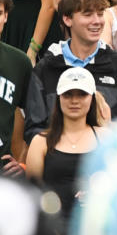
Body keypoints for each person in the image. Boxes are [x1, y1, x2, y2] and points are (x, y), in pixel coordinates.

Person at [23, 0, 117, 140]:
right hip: (59, 159)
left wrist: (106, 132)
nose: (97, 21)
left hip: (107, 158)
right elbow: (33, 129)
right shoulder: (45, 68)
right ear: (67, 19)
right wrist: (68, 145)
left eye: (100, 14)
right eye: (88, 14)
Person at [24, 65, 103, 223]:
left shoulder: (105, 137)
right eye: (68, 94)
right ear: (58, 97)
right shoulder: (40, 142)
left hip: (94, 230)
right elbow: (32, 195)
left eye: (82, 94)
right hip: (53, 231)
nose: (74, 101)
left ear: (92, 98)